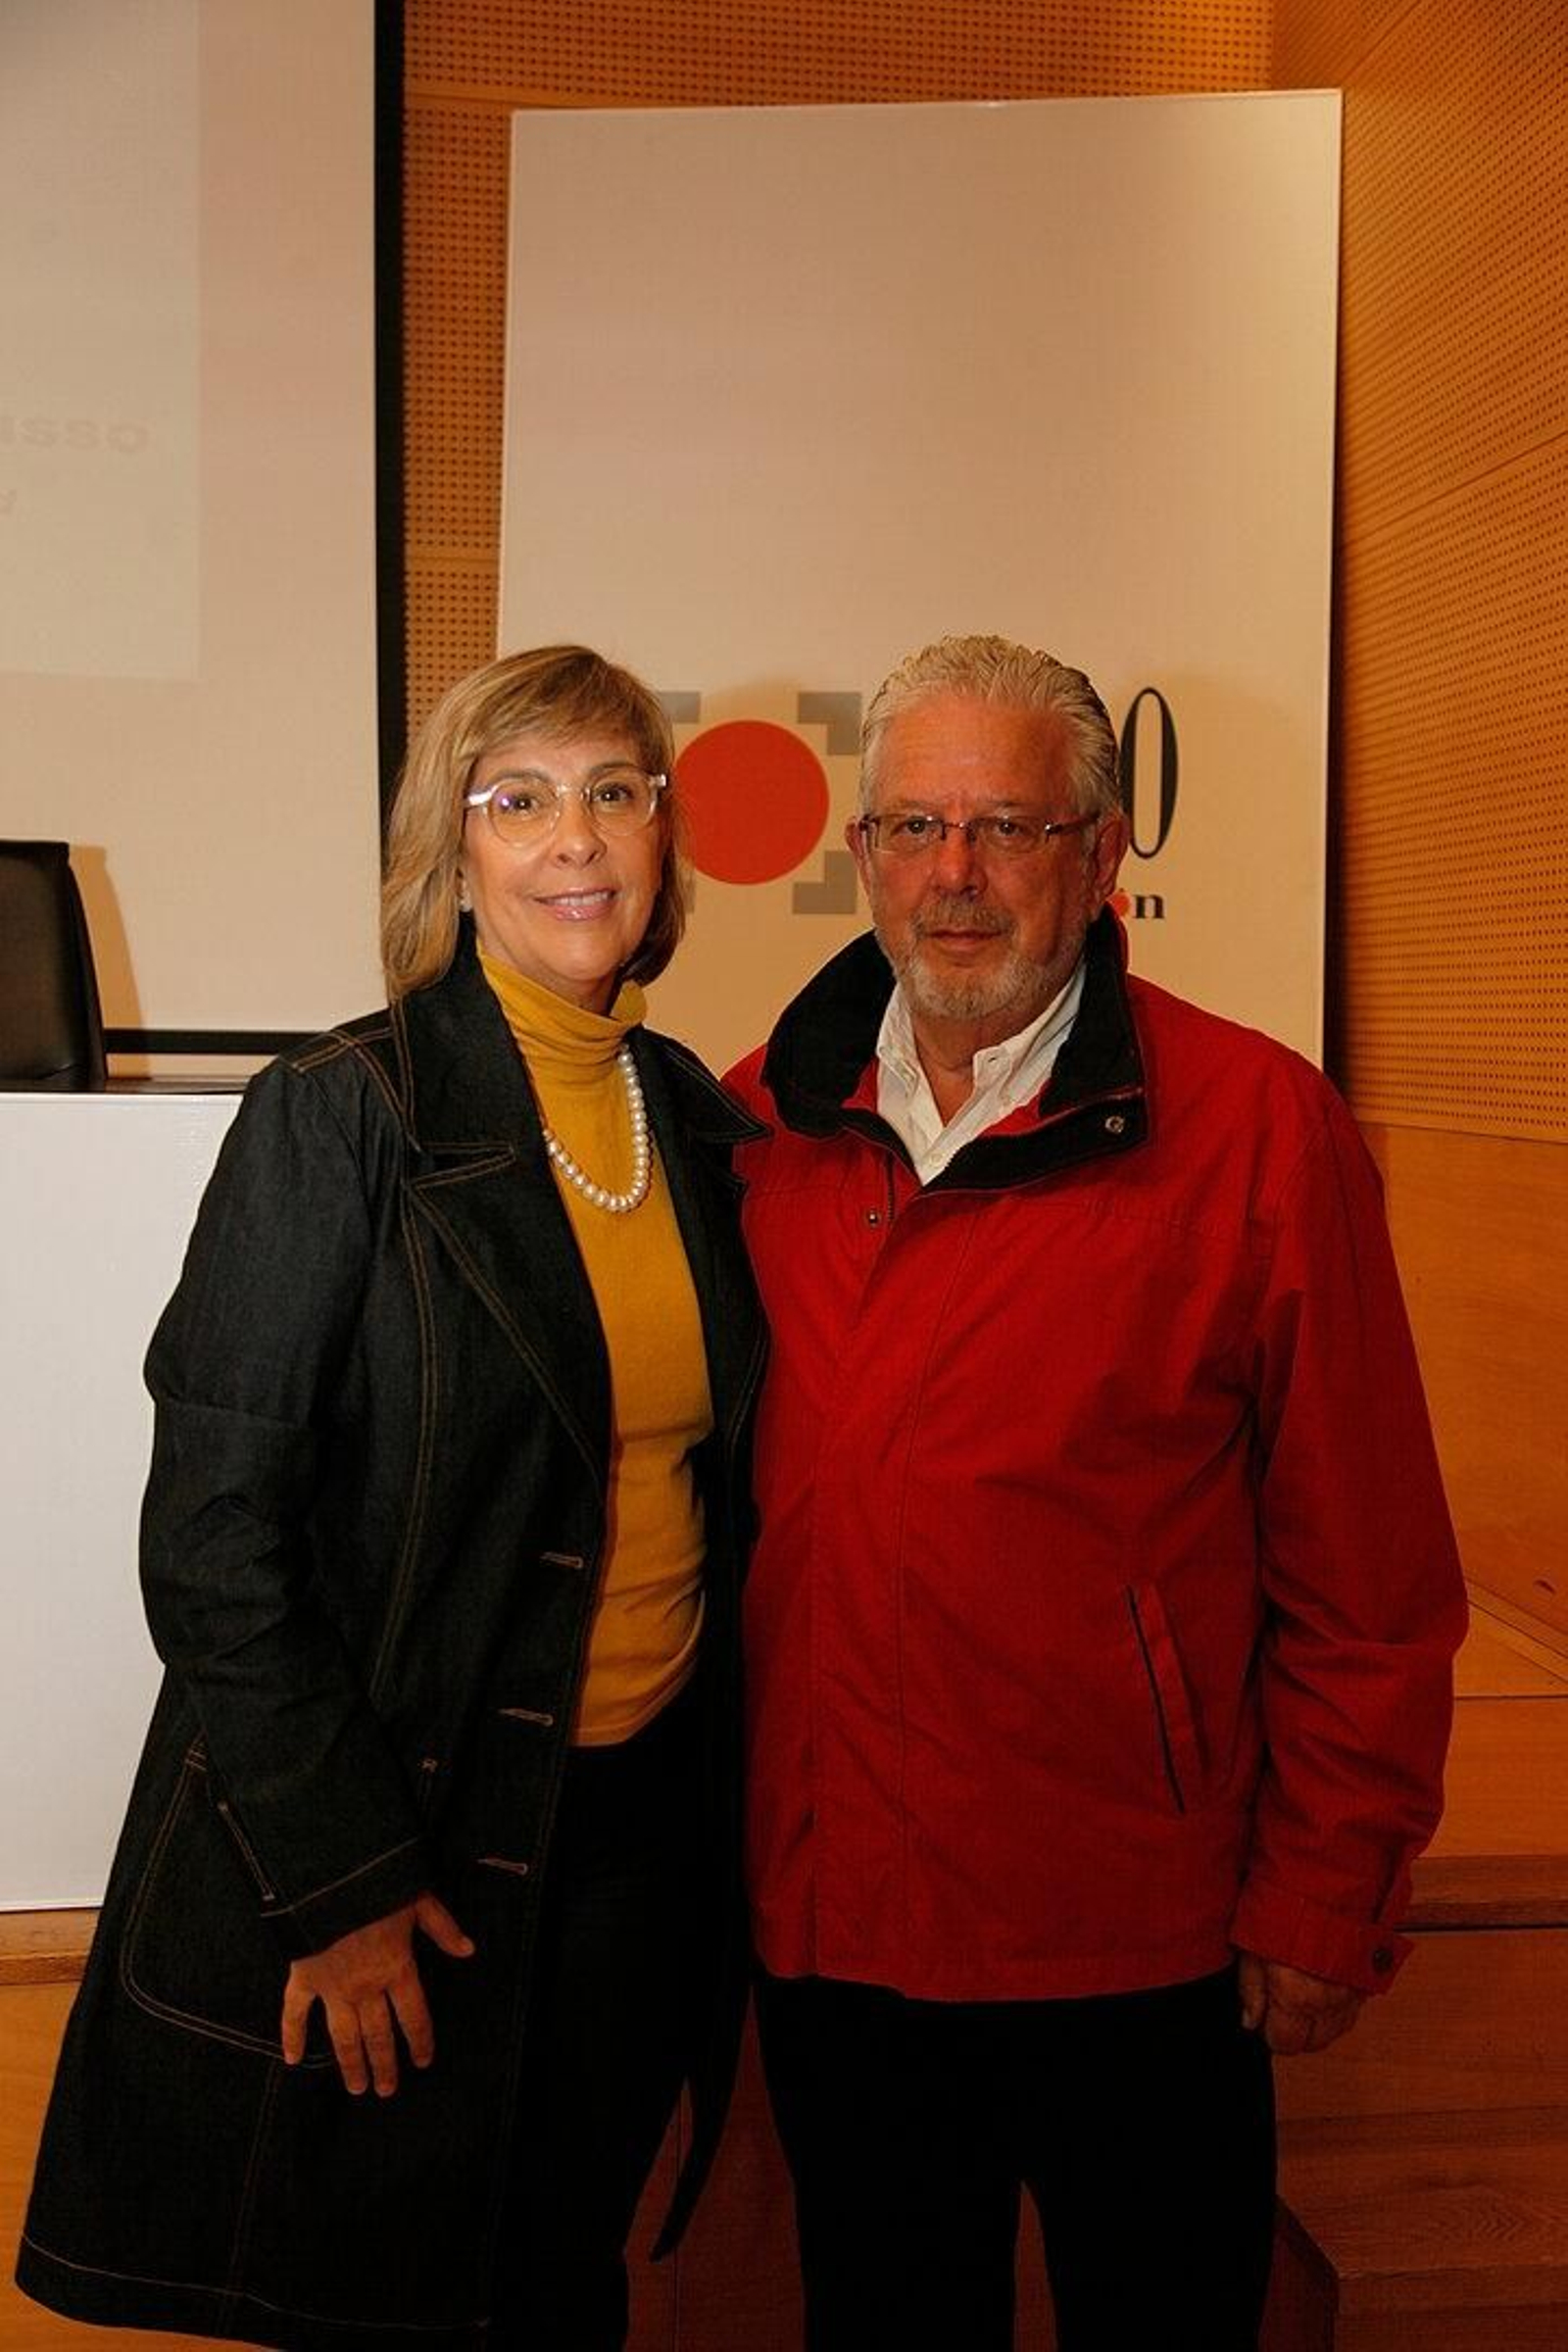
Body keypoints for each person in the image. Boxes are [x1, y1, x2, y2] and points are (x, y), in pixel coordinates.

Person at [17, 645, 765, 2352]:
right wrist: (341, 1881)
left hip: (642, 1837)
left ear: (662, 841)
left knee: (562, 2283)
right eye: (520, 801)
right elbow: (214, 1541)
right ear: (456, 853)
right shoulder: (340, 1113)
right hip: (413, 1840)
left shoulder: (696, 1124)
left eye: (613, 793)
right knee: (391, 2307)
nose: (574, 841)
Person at [725, 634, 1466, 2351]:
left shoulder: (1258, 1127)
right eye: (912, 829)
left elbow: (1369, 1565)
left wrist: (1326, 1888)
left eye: (1008, 828)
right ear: (861, 860)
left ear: (1103, 853)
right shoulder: (763, 1122)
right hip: (839, 1936)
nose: (954, 877)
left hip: (1135, 1942)